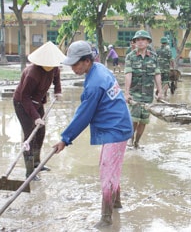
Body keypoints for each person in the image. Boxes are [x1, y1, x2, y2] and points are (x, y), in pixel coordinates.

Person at [53, 40, 133, 228]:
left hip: (116, 129)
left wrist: (65, 139)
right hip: (116, 126)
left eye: (75, 64)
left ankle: (106, 219)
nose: (72, 68)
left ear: (87, 61)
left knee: (107, 170)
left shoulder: (95, 83)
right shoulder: (98, 69)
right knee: (110, 167)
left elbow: (83, 115)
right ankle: (116, 204)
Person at [13, 41, 65, 180]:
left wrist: (57, 91)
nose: (51, 67)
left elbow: (56, 79)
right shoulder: (32, 74)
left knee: (41, 132)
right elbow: (24, 97)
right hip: (22, 104)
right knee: (30, 135)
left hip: (38, 102)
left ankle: (36, 163)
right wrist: (35, 116)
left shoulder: (54, 68)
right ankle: (29, 172)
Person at [124, 30, 163, 148]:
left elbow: (157, 73)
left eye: (143, 39)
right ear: (135, 42)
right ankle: (130, 140)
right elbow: (128, 74)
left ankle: (137, 142)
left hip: (148, 94)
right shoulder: (130, 56)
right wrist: (126, 93)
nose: (140, 42)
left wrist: (160, 90)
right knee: (134, 119)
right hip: (134, 93)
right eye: (138, 40)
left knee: (144, 120)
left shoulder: (153, 56)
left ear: (148, 42)